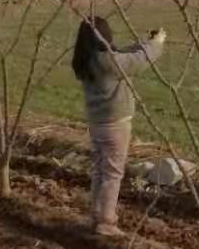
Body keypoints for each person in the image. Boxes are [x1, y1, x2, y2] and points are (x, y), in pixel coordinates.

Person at [71, 15, 167, 237]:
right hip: (115, 127)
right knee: (113, 174)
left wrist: (144, 42)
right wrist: (156, 44)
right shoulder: (108, 62)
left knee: (100, 171)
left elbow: (124, 54)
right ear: (104, 36)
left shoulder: (88, 59)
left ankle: (96, 214)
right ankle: (106, 222)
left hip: (97, 125)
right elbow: (137, 61)